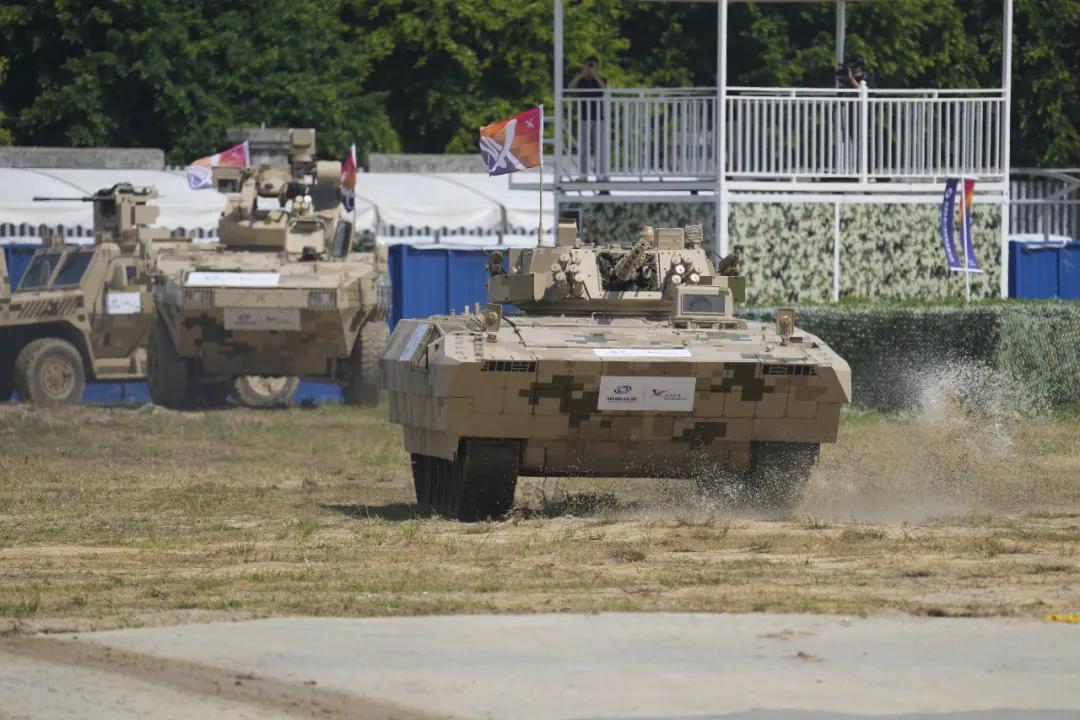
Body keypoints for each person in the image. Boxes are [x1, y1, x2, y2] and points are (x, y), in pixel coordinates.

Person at [568, 56, 608, 180]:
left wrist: (595, 75)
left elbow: (604, 88)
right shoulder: (582, 80)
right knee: (584, 148)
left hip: (598, 117)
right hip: (584, 117)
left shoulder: (601, 79)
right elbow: (570, 87)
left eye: (592, 65)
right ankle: (583, 175)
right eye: (588, 65)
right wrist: (582, 74)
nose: (590, 68)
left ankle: (600, 175)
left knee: (599, 148)